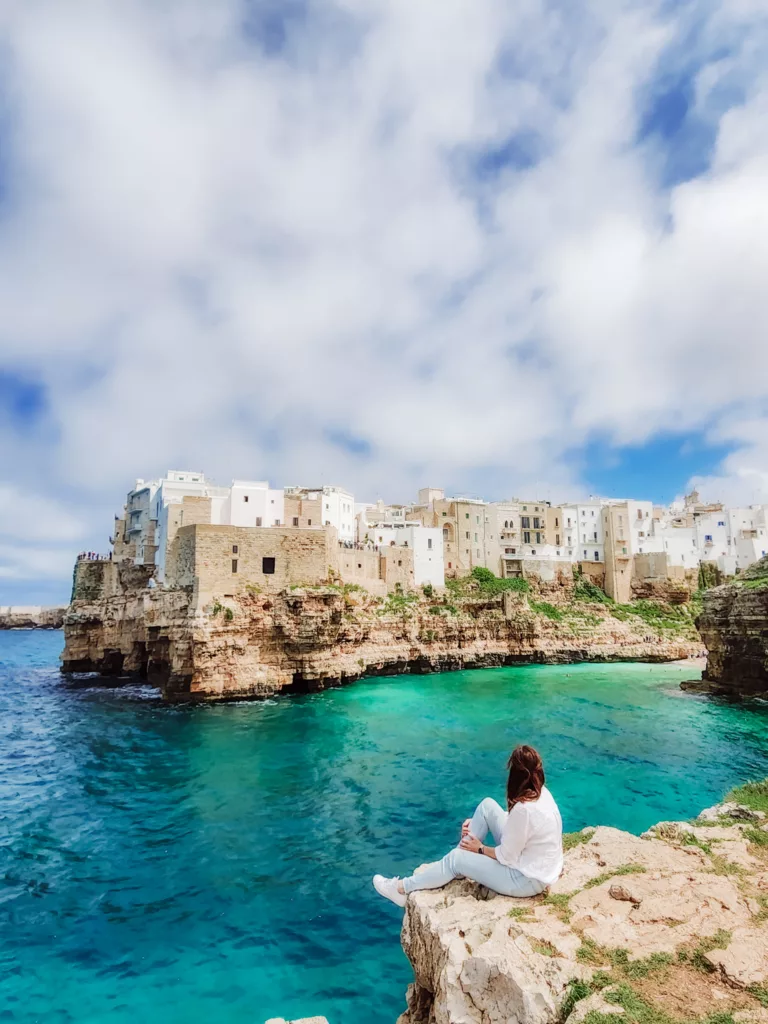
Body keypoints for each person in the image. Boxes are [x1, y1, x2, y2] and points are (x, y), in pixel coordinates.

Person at [373, 745, 563, 908]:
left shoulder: (524, 809)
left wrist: (479, 849)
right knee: (487, 806)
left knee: (456, 858)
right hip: (538, 866)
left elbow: (507, 857)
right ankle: (455, 869)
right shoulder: (541, 793)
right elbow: (520, 827)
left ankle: (402, 889)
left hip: (527, 880)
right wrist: (475, 826)